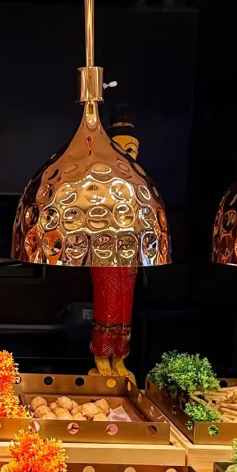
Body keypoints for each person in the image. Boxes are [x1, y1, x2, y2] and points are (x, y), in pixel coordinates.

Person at [90, 104, 139, 383]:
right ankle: (102, 353)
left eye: (131, 149)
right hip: (105, 249)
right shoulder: (100, 186)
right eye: (119, 149)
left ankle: (120, 356)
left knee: (124, 304)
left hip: (128, 251)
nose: (126, 155)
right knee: (107, 301)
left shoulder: (139, 186)